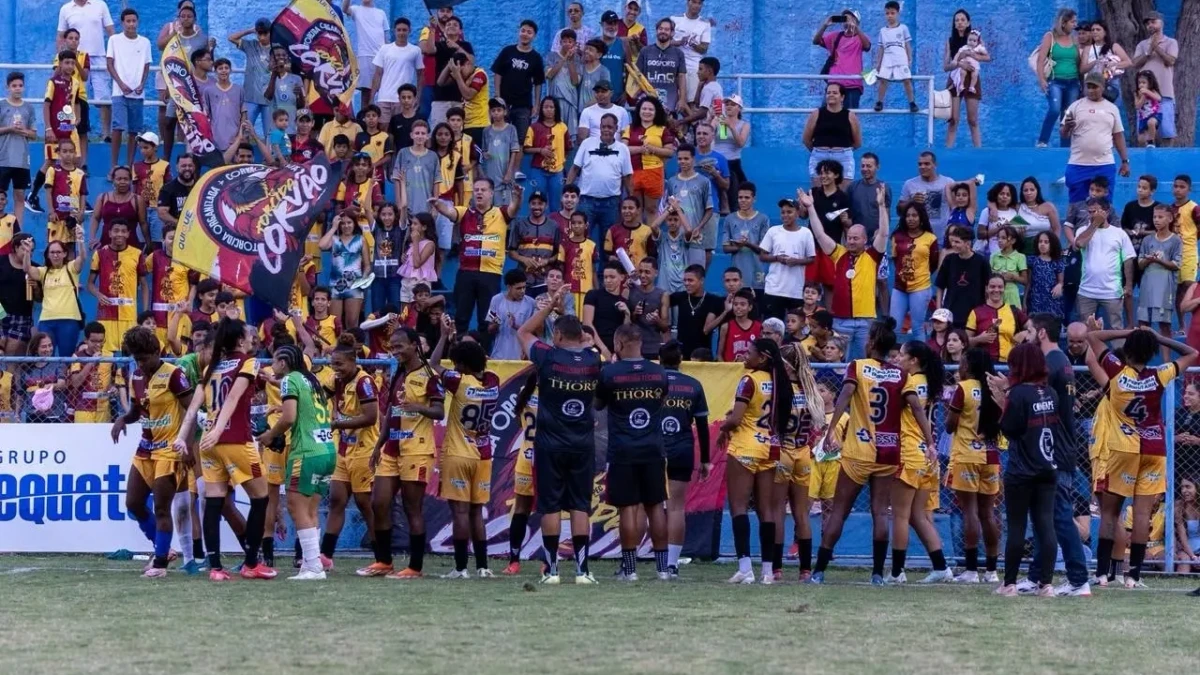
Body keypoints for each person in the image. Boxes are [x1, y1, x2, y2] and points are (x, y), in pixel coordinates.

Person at [811, 318, 934, 584]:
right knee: (880, 512)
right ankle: (877, 574)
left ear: (870, 343)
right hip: (889, 452)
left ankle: (819, 571)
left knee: (839, 510)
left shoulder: (858, 366)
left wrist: (831, 429)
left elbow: (843, 397)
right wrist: (931, 442)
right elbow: (916, 408)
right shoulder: (901, 375)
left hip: (859, 450)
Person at [1085, 323, 1196, 587]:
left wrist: (1129, 333)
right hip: (1155, 449)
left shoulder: (1116, 371)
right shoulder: (1161, 374)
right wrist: (1157, 337)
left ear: (1128, 351)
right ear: (1151, 353)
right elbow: (1191, 352)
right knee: (1143, 514)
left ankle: (1102, 573)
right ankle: (1133, 576)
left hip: (1123, 448)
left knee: (1111, 514)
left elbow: (1092, 336)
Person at [174, 318, 273, 581]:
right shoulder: (248, 362)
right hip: (235, 440)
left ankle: (215, 567)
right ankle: (252, 563)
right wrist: (219, 430)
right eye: (248, 334)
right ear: (240, 340)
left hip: (207, 444)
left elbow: (193, 407)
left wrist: (183, 437)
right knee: (261, 498)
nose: (253, 337)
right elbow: (233, 397)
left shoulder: (211, 367)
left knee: (214, 501)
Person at [516, 291, 604, 584]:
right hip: (582, 444)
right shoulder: (593, 361)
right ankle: (583, 571)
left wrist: (550, 306)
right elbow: (596, 351)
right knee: (581, 505)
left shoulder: (547, 356)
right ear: (581, 336)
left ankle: (552, 571)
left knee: (550, 506)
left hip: (550, 444)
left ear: (558, 336)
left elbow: (523, 331)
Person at [359, 327, 443, 579]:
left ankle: (415, 567)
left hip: (416, 450)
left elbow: (439, 411)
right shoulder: (398, 374)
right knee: (379, 503)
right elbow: (392, 413)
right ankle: (384, 561)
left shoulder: (429, 374)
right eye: (392, 347)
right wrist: (378, 445)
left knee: (411, 508)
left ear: (414, 345)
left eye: (399, 346)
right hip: (392, 449)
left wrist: (417, 406)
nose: (394, 351)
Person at [108, 327, 192, 577]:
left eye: (144, 358)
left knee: (162, 508)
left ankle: (160, 565)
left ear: (157, 352)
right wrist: (123, 419)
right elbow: (136, 412)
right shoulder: (135, 376)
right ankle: (163, 549)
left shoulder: (175, 375)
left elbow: (191, 411)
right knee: (133, 503)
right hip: (145, 449)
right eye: (136, 359)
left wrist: (186, 443)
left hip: (169, 450)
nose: (140, 363)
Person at [1019, 313, 1091, 596]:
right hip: (1055, 447)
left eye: (1027, 330)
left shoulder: (1049, 364)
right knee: (1041, 515)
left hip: (1054, 449)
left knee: (1059, 515)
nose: (1024, 336)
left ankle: (1078, 579)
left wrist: (1008, 394)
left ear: (1040, 334)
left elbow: (1040, 405)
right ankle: (1038, 576)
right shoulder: (1062, 361)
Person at [986, 343, 1064, 596]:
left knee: (1017, 527)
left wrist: (1002, 403)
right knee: (1045, 526)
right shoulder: (1050, 392)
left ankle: (1009, 584)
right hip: (1048, 468)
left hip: (1021, 471)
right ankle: (1047, 584)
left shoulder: (1018, 394)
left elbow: (1010, 430)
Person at [254, 344, 337, 580]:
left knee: (296, 505)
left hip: (306, 451)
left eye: (274, 360)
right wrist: (273, 383)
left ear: (283, 363)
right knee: (310, 508)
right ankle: (311, 563)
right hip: (327, 449)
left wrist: (270, 435)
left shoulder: (291, 379)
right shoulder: (309, 380)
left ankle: (313, 566)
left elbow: (289, 418)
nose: (272, 364)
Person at [426, 321, 500, 579]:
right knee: (476, 512)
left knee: (459, 512)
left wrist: (444, 337)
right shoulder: (493, 382)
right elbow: (480, 364)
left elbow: (434, 364)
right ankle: (482, 566)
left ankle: (460, 568)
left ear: (465, 367)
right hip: (484, 454)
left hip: (459, 453)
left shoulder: (460, 382)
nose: (454, 367)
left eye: (458, 364)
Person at [596, 324, 670, 581]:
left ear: (618, 344)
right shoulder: (659, 372)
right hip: (653, 448)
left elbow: (598, 404)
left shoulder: (609, 373)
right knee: (656, 507)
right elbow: (660, 401)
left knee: (628, 508)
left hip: (623, 450)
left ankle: (630, 570)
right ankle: (662, 570)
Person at [717, 338, 792, 584]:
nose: (745, 356)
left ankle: (745, 568)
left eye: (750, 353)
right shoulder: (781, 382)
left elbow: (736, 419)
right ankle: (768, 572)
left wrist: (723, 428)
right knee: (766, 510)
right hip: (771, 447)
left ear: (762, 358)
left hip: (745, 446)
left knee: (739, 507)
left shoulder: (749, 380)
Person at [888, 340, 952, 583]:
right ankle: (941, 567)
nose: (897, 359)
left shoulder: (911, 382)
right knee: (918, 516)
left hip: (910, 451)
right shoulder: (929, 382)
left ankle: (896, 572)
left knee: (901, 516)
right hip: (928, 456)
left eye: (901, 355)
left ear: (913, 360)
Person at [805, 185, 889, 362]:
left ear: (865, 240)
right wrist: (811, 207)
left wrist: (881, 206)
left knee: (859, 363)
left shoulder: (872, 256)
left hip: (865, 321)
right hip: (841, 321)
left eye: (855, 238)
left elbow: (884, 233)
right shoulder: (839, 254)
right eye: (849, 237)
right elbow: (820, 234)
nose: (851, 241)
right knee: (838, 361)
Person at [429, 178, 522, 334]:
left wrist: (518, 197)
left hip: (491, 274)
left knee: (486, 319)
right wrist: (437, 204)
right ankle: (457, 352)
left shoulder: (501, 213)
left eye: (483, 190)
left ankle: (484, 354)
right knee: (461, 318)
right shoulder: (465, 212)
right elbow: (450, 212)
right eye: (476, 190)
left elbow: (514, 208)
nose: (479, 192)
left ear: (491, 193)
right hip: (466, 272)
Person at [946, 346, 1004, 583]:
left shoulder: (963, 388)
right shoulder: (995, 388)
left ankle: (971, 570)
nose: (959, 364)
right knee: (988, 514)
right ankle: (991, 571)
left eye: (962, 361)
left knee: (969, 512)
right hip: (991, 455)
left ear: (968, 365)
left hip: (967, 454)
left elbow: (950, 425)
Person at [769, 343, 826, 581]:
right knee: (802, 513)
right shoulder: (810, 390)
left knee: (778, 511)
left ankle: (776, 567)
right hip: (804, 453)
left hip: (784, 450)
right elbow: (818, 425)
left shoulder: (780, 389)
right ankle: (804, 569)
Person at [320, 343, 380, 568]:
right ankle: (326, 556)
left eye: (339, 364)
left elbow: (371, 417)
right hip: (344, 449)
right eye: (332, 363)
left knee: (365, 504)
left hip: (365, 450)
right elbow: (318, 395)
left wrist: (337, 423)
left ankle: (381, 556)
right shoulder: (336, 380)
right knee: (337, 500)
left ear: (353, 362)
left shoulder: (364, 382)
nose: (335, 368)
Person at [657, 340, 709, 578]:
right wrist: (706, 459)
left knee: (651, 506)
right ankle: (672, 565)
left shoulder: (652, 383)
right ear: (680, 361)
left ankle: (635, 563)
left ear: (659, 359)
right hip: (682, 449)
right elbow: (703, 426)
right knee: (677, 508)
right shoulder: (694, 385)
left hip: (652, 450)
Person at [1062, 72, 1131, 205]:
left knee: (1104, 206)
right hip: (1078, 164)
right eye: (1089, 86)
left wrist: (1125, 161)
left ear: (1103, 87)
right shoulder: (1074, 106)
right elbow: (1064, 134)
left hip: (1104, 165)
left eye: (1095, 87)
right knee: (1077, 206)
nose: (1091, 90)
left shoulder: (1112, 109)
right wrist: (1066, 127)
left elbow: (1118, 136)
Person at [566, 114, 633, 246]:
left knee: (608, 243)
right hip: (586, 200)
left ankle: (607, 267)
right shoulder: (587, 143)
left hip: (611, 203)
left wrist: (631, 199)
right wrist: (566, 191)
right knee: (581, 241)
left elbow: (627, 177)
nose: (606, 130)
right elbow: (574, 169)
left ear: (616, 128)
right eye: (603, 127)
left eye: (610, 127)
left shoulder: (623, 149)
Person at [1075, 197, 1134, 329]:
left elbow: (1128, 260)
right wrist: (1094, 224)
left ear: (1106, 212)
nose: (1092, 215)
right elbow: (1079, 244)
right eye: (1089, 212)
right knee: (1086, 331)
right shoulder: (1083, 231)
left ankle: (1118, 351)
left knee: (1116, 329)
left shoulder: (1119, 234)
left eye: (1095, 211)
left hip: (1112, 291)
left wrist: (1128, 284)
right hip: (1086, 291)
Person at [21, 233, 83, 356]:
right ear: (48, 255)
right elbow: (27, 269)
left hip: (69, 320)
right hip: (46, 320)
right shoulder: (44, 271)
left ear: (65, 254)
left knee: (67, 357)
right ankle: (48, 377)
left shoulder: (71, 268)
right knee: (45, 356)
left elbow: (82, 258)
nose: (55, 255)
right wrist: (27, 252)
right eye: (52, 252)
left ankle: (63, 376)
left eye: (59, 252)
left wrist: (80, 241)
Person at [1137, 203, 1181, 359]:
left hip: (1164, 289)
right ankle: (1141, 362)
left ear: (1169, 218)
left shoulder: (1175, 241)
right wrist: (1149, 260)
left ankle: (1167, 364)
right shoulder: (1148, 240)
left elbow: (1176, 264)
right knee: (1143, 326)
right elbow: (1140, 263)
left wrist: (1160, 261)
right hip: (1147, 287)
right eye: (1155, 217)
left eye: (1160, 217)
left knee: (1164, 326)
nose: (1156, 220)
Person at [890, 203, 939, 342]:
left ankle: (921, 361)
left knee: (917, 327)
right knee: (893, 327)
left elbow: (933, 263)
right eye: (908, 216)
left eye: (914, 215)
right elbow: (895, 259)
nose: (911, 218)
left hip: (920, 288)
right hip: (899, 288)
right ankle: (892, 361)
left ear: (921, 217)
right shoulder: (896, 237)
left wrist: (919, 274)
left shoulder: (930, 238)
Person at [624, 97, 677, 224]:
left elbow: (670, 152)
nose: (647, 112)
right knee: (635, 209)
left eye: (650, 109)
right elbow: (623, 149)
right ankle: (637, 240)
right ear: (638, 111)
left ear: (656, 112)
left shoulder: (662, 129)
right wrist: (641, 149)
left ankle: (651, 240)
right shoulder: (630, 128)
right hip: (633, 171)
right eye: (644, 109)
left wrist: (653, 149)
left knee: (651, 209)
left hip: (654, 172)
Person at [491, 20, 545, 144]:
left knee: (520, 141)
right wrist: (498, 96)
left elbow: (538, 83)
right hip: (504, 103)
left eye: (529, 32)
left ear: (534, 36)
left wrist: (536, 105)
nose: (525, 34)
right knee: (500, 138)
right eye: (523, 31)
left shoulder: (536, 57)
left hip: (524, 105)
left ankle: (516, 165)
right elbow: (498, 73)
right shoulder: (507, 51)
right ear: (519, 32)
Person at [1035, 9, 1081, 148]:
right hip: (1055, 81)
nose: (1075, 25)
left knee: (1068, 115)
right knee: (1054, 109)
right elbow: (1040, 60)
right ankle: (1043, 141)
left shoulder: (1074, 38)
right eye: (1072, 21)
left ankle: (1065, 146)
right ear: (1063, 22)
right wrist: (1042, 80)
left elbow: (1078, 62)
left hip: (1073, 82)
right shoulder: (1050, 37)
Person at [1132, 11, 1178, 147]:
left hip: (1165, 94)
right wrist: (1148, 51)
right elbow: (1135, 63)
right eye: (1147, 23)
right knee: (1143, 135)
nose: (1150, 25)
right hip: (1144, 95)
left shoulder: (1171, 42)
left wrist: (1156, 47)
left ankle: (1167, 163)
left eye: (1153, 21)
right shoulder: (1142, 45)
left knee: (1167, 133)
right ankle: (1146, 164)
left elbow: (1170, 60)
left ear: (1161, 23)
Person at [802, 83, 861, 185]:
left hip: (843, 158)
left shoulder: (850, 116)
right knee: (819, 195)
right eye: (828, 93)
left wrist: (842, 151)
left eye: (835, 93)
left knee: (843, 196)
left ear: (842, 97)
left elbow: (857, 142)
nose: (831, 95)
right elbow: (806, 139)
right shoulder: (816, 114)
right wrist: (819, 151)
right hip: (819, 156)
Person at [943, 10, 985, 147]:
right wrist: (958, 63)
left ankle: (978, 151)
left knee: (972, 119)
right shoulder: (950, 41)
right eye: (957, 20)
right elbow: (945, 67)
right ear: (954, 24)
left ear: (968, 23)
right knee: (953, 119)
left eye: (962, 20)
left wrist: (971, 56)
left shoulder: (976, 40)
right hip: (955, 80)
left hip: (971, 79)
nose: (959, 22)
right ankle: (948, 151)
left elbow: (986, 57)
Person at [813, 9, 870, 109]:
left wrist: (856, 27)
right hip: (834, 84)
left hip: (853, 85)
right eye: (844, 19)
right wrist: (825, 25)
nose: (846, 21)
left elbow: (867, 46)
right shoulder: (835, 36)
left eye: (850, 18)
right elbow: (816, 41)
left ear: (856, 21)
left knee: (850, 118)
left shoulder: (860, 38)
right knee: (825, 116)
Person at [966, 274, 1030, 364]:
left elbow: (1034, 326)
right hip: (983, 364)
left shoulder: (1014, 311)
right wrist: (979, 339)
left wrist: (1026, 332)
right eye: (992, 287)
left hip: (1009, 364)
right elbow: (964, 342)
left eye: (1000, 287)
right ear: (986, 289)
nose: (996, 290)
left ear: (1004, 288)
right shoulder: (976, 312)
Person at [0, 72, 37, 225]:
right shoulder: (2, 105)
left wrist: (23, 130)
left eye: (20, 86)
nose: (17, 89)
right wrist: (10, 128)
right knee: (1, 195)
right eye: (14, 86)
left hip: (22, 160)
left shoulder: (28, 108)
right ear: (8, 87)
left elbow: (33, 134)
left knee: (20, 195)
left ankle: (18, 230)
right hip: (3, 159)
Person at [524, 98, 569, 212]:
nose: (548, 110)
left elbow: (567, 148)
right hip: (538, 171)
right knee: (538, 203)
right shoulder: (534, 127)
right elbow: (526, 149)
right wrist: (540, 150)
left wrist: (560, 161)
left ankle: (556, 229)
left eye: (551, 107)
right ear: (541, 109)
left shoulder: (562, 127)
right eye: (545, 107)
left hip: (557, 172)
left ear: (556, 109)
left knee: (557, 205)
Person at [637, 18, 688, 115]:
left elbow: (681, 77)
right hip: (648, 103)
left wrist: (682, 99)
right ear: (656, 31)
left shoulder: (678, 53)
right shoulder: (645, 51)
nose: (663, 31)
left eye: (666, 29)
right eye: (660, 29)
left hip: (670, 103)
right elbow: (638, 76)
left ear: (672, 33)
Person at [873, 1, 917, 112]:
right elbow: (881, 48)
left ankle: (912, 102)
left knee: (907, 80)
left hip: (901, 59)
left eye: (892, 13)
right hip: (887, 60)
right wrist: (878, 63)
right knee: (883, 81)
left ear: (898, 13)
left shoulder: (903, 28)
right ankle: (879, 102)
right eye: (887, 13)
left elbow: (907, 45)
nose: (890, 16)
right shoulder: (882, 31)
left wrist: (909, 58)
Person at [671, 0, 713, 103]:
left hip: (693, 68)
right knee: (672, 102)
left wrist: (693, 44)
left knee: (692, 102)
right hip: (674, 66)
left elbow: (704, 49)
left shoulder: (705, 24)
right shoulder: (675, 20)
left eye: (699, 3)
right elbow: (666, 42)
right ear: (688, 2)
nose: (696, 5)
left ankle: (688, 120)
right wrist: (679, 42)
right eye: (694, 2)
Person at [1176, 477, 1200, 574]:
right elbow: (1182, 537)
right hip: (1186, 548)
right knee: (1184, 561)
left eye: (1188, 487)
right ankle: (1181, 585)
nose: (1184, 491)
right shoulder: (1178, 507)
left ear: (1197, 488)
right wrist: (1193, 557)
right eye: (1182, 488)